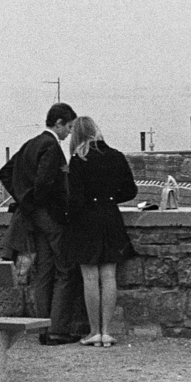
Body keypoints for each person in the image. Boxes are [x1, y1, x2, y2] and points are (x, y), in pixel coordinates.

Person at [0, 102, 83, 345]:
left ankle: (44, 329)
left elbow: (6, 172)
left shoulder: (31, 144)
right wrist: (36, 202)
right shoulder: (51, 146)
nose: (69, 132)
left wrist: (24, 200)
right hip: (50, 217)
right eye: (68, 127)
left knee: (45, 271)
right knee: (65, 270)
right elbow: (46, 184)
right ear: (58, 123)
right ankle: (57, 330)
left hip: (33, 218)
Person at [60, 115, 137, 347]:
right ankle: (106, 331)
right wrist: (111, 198)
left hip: (86, 221)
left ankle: (93, 331)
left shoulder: (78, 159)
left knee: (90, 278)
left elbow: (74, 199)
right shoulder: (116, 156)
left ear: (78, 135)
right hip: (110, 217)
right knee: (109, 276)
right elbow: (130, 191)